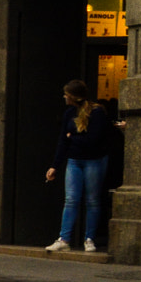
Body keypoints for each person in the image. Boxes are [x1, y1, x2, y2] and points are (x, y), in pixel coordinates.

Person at [46, 78, 116, 253]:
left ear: (74, 97)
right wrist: (55, 165)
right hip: (74, 161)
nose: (64, 97)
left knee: (92, 200)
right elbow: (63, 140)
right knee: (71, 199)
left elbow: (93, 140)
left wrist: (73, 137)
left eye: (66, 94)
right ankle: (64, 239)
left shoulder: (97, 112)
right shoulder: (69, 113)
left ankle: (89, 238)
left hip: (95, 159)